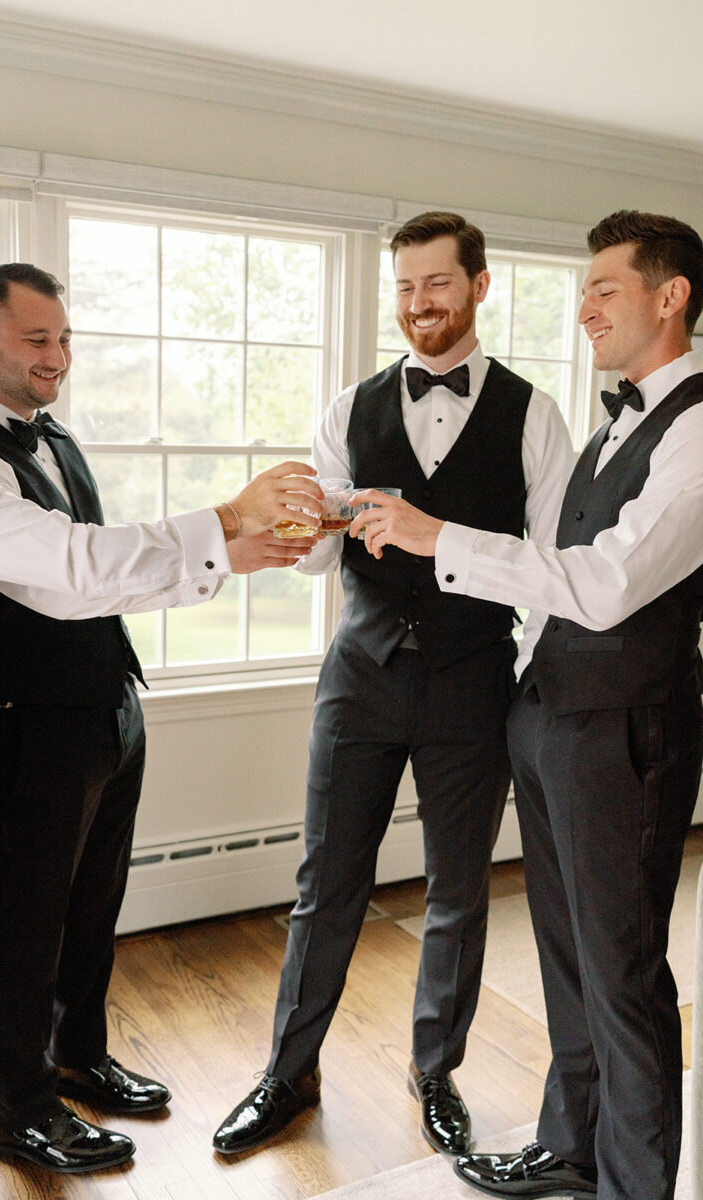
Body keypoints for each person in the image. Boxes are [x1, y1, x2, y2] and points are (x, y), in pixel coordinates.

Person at [0, 222, 321, 1173]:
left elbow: (105, 563)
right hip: (18, 724)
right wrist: (223, 521)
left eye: (64, 339)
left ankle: (77, 1056)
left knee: (91, 907)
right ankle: (18, 1107)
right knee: (23, 920)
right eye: (36, 340)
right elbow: (64, 577)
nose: (59, 357)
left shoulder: (52, 437)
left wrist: (234, 555)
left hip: (103, 708)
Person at [351, 210, 703, 1200]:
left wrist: (437, 537)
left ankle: (632, 1188)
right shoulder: (608, 427)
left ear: (668, 296)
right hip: (548, 719)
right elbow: (547, 577)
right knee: (562, 958)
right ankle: (568, 1143)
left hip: (624, 733)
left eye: (603, 288)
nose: (582, 306)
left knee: (623, 973)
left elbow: (602, 583)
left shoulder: (699, 432)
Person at [213, 212, 575, 1157]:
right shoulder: (350, 407)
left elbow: (555, 567)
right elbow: (311, 554)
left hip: (474, 681)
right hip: (360, 677)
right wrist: (293, 529)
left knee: (458, 890)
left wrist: (525, 678)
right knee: (325, 884)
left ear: (480, 287)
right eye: (406, 288)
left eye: (438, 285)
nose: (419, 306)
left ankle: (437, 1068)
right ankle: (287, 1075)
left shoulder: (536, 415)